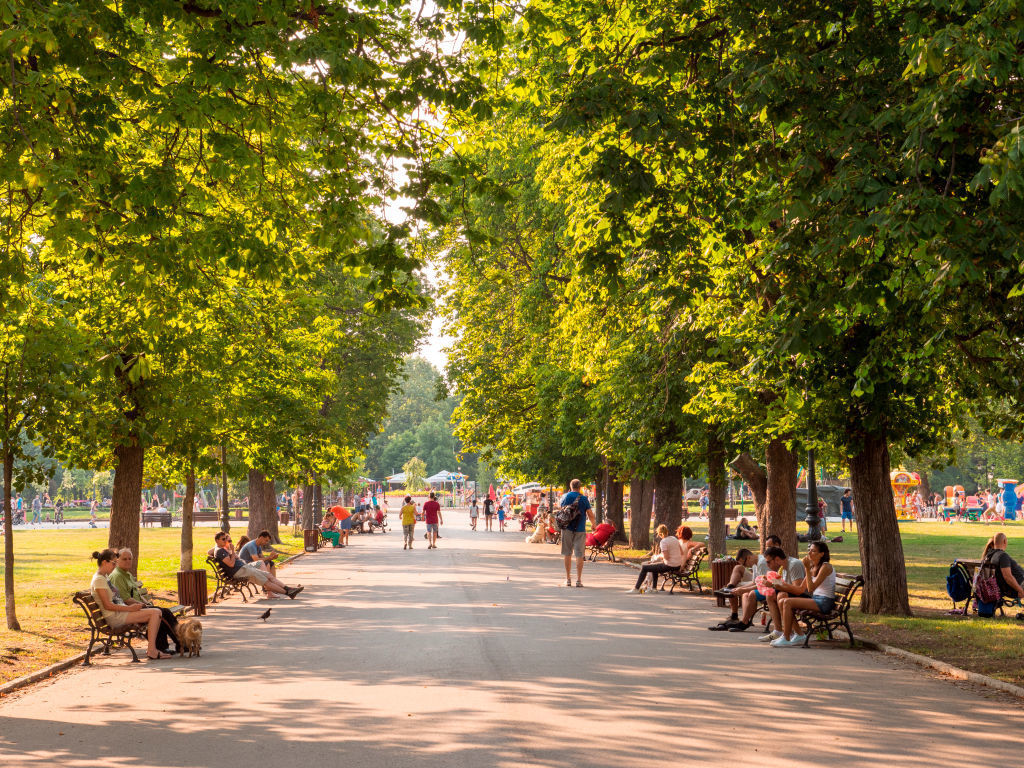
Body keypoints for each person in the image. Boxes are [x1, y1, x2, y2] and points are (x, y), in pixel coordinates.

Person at [89, 549, 171, 660]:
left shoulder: (104, 577)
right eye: (113, 563)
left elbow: (115, 600)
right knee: (155, 613)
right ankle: (152, 650)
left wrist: (131, 608)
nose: (114, 566)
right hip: (114, 617)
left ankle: (153, 649)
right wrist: (130, 608)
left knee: (157, 612)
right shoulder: (99, 579)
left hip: (120, 612)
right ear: (104, 562)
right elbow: (107, 605)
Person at [107, 548, 180, 654]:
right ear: (117, 560)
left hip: (138, 607)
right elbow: (126, 600)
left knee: (163, 612)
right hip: (129, 611)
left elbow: (137, 594)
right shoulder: (117, 576)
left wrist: (146, 603)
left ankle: (168, 645)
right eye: (124, 559)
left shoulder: (127, 574)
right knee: (162, 613)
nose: (128, 561)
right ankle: (177, 644)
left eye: (130, 559)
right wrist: (143, 605)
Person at [772, 541, 836, 647]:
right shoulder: (813, 567)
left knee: (787, 602)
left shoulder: (826, 567)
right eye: (809, 550)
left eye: (813, 551)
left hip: (825, 602)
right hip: (816, 599)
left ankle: (786, 637)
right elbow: (801, 589)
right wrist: (777, 584)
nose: (809, 553)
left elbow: (811, 588)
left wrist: (806, 568)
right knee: (782, 599)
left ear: (822, 554)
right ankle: (797, 634)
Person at [213, 532, 302, 599]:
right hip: (239, 571)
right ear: (217, 540)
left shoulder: (222, 549)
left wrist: (230, 551)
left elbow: (213, 552)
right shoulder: (219, 551)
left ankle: (289, 589)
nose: (226, 541)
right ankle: (288, 593)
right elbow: (231, 564)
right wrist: (232, 552)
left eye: (226, 539)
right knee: (266, 581)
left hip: (244, 567)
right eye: (223, 539)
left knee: (268, 575)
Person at [756, 545, 807, 644]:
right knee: (770, 595)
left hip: (805, 596)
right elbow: (783, 585)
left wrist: (773, 584)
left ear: (777, 559)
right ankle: (778, 631)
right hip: (792, 594)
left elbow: (798, 590)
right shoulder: (782, 567)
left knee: (781, 596)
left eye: (768, 562)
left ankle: (795, 634)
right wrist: (770, 583)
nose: (767, 565)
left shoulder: (794, 565)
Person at [558, 479, 596, 588]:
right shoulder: (583, 499)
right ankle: (579, 580)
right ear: (580, 487)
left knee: (567, 553)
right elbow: (590, 514)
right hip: (580, 529)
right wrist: (593, 524)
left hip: (567, 529)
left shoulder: (565, 497)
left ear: (570, 487)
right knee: (579, 554)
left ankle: (568, 579)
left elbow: (561, 511)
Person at [628, 524, 683, 593]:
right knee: (654, 566)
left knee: (644, 567)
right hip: (677, 565)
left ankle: (636, 589)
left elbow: (666, 557)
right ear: (667, 531)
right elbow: (681, 552)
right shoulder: (674, 538)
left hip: (670, 565)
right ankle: (654, 588)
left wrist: (658, 556)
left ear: (659, 534)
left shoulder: (663, 542)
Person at [981, 533, 1024, 601]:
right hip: (1014, 588)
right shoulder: (1002, 556)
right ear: (1005, 541)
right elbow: (1008, 577)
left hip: (1005, 588)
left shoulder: (989, 555)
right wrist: (1020, 590)